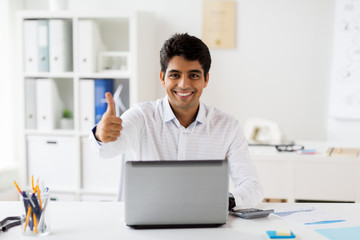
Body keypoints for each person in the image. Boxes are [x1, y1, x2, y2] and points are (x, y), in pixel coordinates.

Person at [89, 33, 263, 208]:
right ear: (162, 78)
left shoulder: (228, 126)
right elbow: (107, 151)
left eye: (193, 75)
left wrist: (225, 201)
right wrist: (101, 135)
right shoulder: (142, 115)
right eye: (175, 75)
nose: (183, 84)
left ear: (206, 79)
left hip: (206, 227)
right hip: (152, 224)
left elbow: (253, 187)